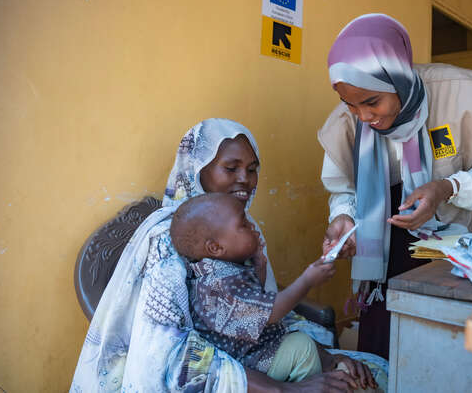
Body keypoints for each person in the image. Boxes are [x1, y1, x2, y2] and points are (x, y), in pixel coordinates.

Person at [71, 118, 387, 392]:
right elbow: (170, 356)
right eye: (230, 168)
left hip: (257, 358)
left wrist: (328, 356)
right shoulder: (165, 243)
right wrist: (285, 389)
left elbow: (260, 310)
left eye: (252, 169)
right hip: (217, 380)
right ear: (197, 169)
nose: (245, 180)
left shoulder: (243, 231)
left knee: (376, 375)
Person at [318, 14, 472, 359]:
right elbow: (343, 188)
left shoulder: (457, 93)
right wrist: (344, 218)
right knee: (384, 341)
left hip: (447, 242)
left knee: (439, 342)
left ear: (398, 80)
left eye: (371, 102)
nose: (363, 117)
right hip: (381, 248)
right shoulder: (345, 121)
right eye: (349, 103)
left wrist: (447, 187)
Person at [172, 193, 362, 385]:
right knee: (302, 348)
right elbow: (269, 313)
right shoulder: (219, 283)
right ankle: (314, 386)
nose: (252, 226)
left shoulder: (225, 269)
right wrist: (307, 280)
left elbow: (252, 300)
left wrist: (259, 268)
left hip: (253, 351)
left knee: (299, 341)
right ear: (215, 248)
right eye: (243, 224)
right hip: (247, 364)